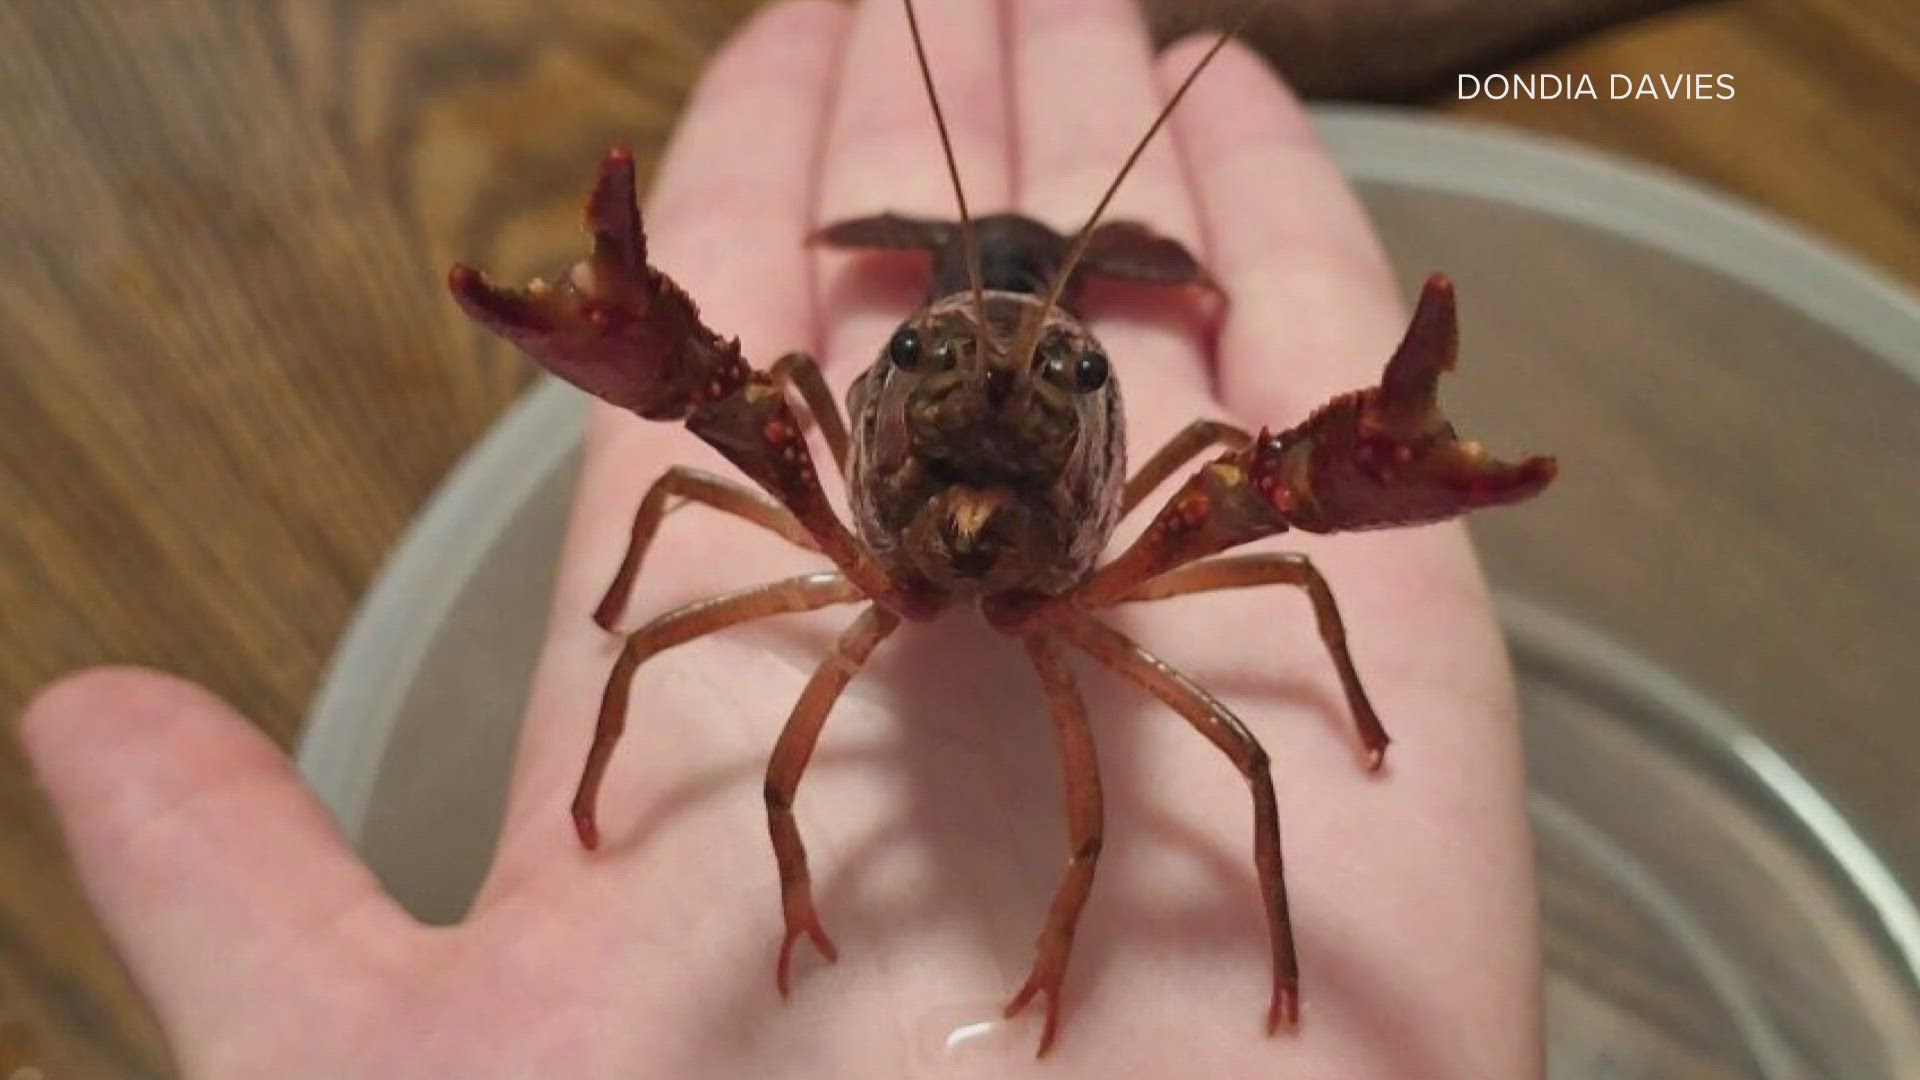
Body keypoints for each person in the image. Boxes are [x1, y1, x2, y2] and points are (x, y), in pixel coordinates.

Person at [18, 0, 1541, 1074]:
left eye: (1062, 377)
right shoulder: (821, 430)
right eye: (930, 372)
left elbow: (1253, 495)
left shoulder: (1159, 489)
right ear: (877, 389)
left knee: (1254, 696)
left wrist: (1339, 663)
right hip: (913, 381)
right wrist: (628, 594)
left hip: (1060, 466)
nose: (987, 411)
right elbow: (706, 442)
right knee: (689, 538)